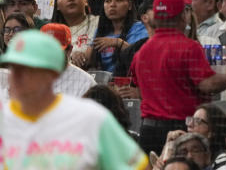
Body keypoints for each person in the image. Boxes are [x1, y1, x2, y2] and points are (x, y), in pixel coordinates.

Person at [0, 29, 147, 168]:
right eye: (14, 67)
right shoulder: (4, 120)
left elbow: (138, 166)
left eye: (28, 70)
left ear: (52, 73)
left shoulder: (92, 118)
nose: (17, 77)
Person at [131, 0, 226, 154]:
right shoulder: (189, 47)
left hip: (148, 132)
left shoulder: (142, 52)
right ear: (183, 16)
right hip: (182, 131)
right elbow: (207, 85)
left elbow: (139, 92)